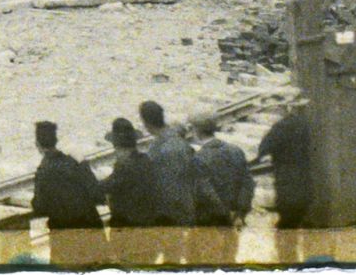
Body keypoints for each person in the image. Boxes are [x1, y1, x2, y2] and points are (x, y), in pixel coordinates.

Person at [29, 120, 106, 267]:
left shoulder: (43, 171)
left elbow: (39, 206)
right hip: (92, 230)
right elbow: (97, 194)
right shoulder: (74, 162)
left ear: (37, 145)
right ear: (56, 140)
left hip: (65, 238)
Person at [139, 98, 207, 260]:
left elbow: (163, 186)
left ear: (146, 123)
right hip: (185, 210)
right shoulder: (181, 143)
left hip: (167, 213)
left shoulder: (158, 149)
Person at [191, 114, 255, 264]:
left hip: (210, 220)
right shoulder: (236, 151)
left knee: (208, 263)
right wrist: (240, 212)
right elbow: (248, 184)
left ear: (197, 132)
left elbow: (206, 191)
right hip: (234, 219)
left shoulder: (199, 158)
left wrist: (224, 214)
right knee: (229, 260)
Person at [98, 117, 161, 266]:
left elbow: (103, 188)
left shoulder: (123, 167)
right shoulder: (146, 161)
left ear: (116, 145)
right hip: (151, 231)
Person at [256, 100, 315, 260]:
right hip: (307, 184)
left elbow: (263, 149)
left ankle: (287, 262)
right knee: (299, 222)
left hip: (287, 184)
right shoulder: (308, 124)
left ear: (288, 108)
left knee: (286, 226)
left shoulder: (281, 127)